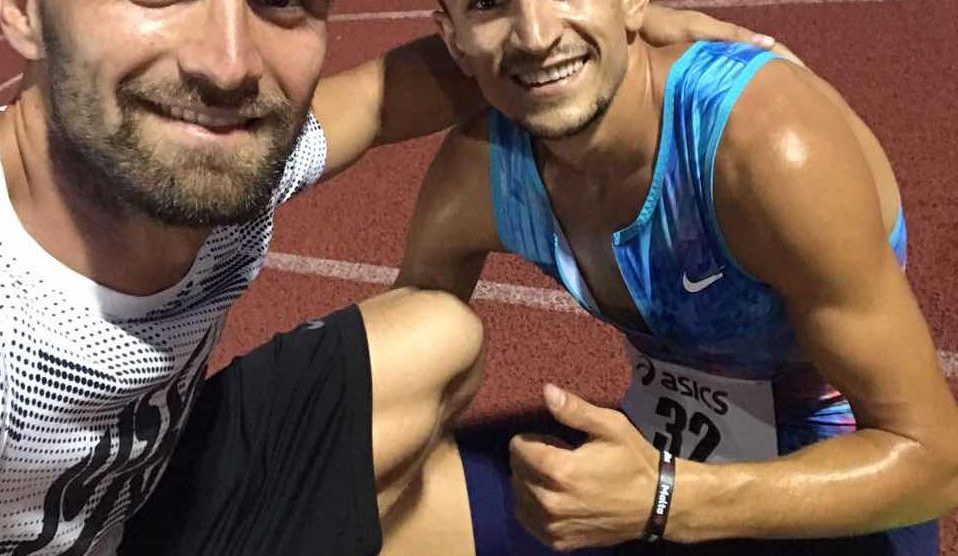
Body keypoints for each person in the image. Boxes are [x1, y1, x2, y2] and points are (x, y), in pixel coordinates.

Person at [0, 0, 775, 554]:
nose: (229, 64)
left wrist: (591, 32)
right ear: (23, 12)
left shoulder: (217, 148)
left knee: (437, 335)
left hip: (141, 505)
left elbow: (378, 98)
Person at [394, 0, 958, 554]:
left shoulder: (761, 143)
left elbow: (935, 464)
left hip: (834, 497)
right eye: (488, 3)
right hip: (651, 472)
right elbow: (394, 385)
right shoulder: (480, 170)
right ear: (454, 39)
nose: (536, 35)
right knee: (381, 517)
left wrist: (666, 499)